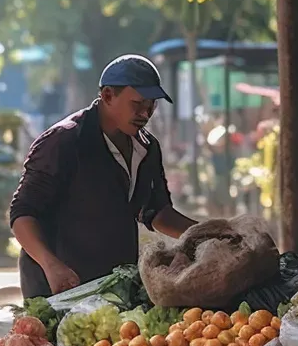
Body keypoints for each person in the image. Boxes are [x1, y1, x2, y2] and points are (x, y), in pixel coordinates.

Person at [10, 54, 197, 298]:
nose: (146, 113)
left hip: (117, 286)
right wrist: (51, 264)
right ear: (108, 96)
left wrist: (206, 233)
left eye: (152, 104)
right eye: (137, 103)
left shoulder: (148, 147)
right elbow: (22, 213)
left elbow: (156, 211)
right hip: (60, 288)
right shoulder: (63, 142)